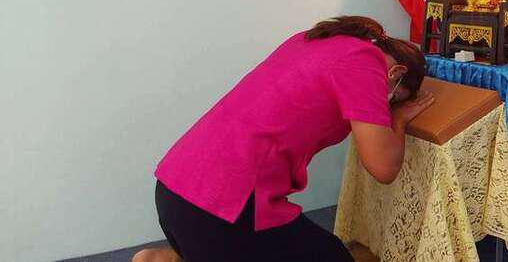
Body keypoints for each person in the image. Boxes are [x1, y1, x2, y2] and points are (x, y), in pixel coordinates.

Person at [133, 16, 434, 262]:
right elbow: (384, 167)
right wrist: (397, 120)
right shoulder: (365, 62)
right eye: (394, 98)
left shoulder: (314, 40)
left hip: (175, 192)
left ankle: (166, 258)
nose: (387, 105)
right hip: (222, 209)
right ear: (396, 72)